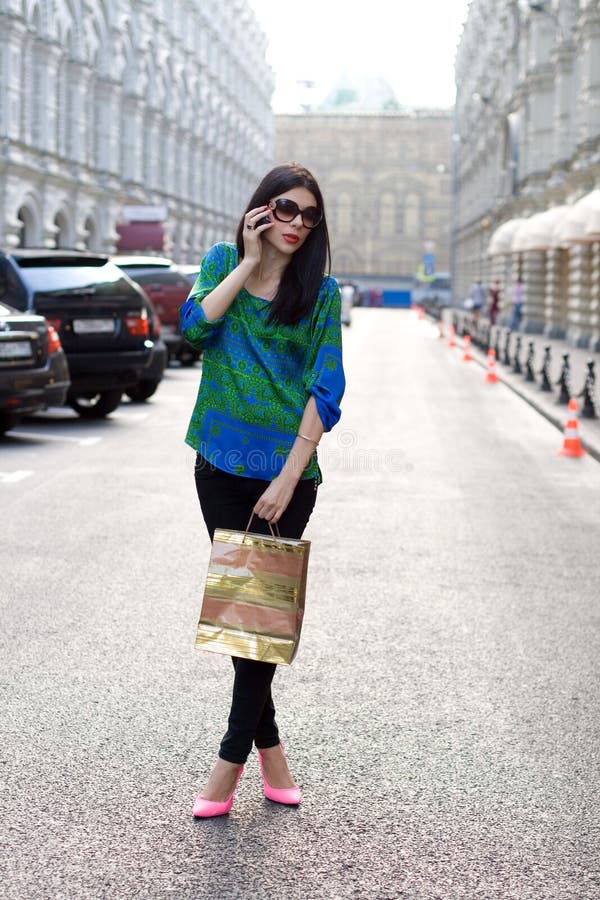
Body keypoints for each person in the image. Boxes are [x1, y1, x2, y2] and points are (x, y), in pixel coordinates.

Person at [179, 162, 345, 818]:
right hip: (218, 465)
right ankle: (272, 752)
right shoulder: (223, 261)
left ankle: (228, 763)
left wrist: (287, 476)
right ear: (261, 210)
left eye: (309, 215)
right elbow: (195, 327)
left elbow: (326, 390)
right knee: (244, 614)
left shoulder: (321, 294)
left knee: (254, 618)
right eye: (286, 209)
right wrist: (248, 261)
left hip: (284, 478)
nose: (297, 223)